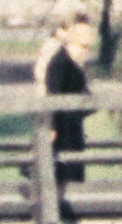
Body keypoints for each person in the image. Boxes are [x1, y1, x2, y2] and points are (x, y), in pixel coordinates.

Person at [39, 13, 97, 192]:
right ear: (71, 43)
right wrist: (51, 126)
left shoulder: (73, 64)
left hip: (71, 129)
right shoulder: (60, 64)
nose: (85, 51)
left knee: (68, 179)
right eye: (83, 47)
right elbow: (52, 96)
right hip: (61, 131)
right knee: (61, 177)